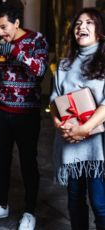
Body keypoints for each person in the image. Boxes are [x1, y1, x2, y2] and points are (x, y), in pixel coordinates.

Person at [0, 2, 48, 230]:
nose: (0, 33)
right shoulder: (1, 43)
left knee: (28, 162)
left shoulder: (37, 40)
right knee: (1, 161)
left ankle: (29, 212)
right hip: (1, 111)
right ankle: (2, 205)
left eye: (3, 27)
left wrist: (15, 51)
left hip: (27, 114)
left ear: (17, 22)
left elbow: (39, 71)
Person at [50, 8, 105, 230]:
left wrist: (85, 129)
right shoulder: (63, 66)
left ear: (100, 32)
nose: (81, 27)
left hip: (97, 149)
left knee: (100, 203)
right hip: (70, 145)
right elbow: (54, 102)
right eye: (78, 24)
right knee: (74, 201)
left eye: (89, 23)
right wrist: (60, 126)